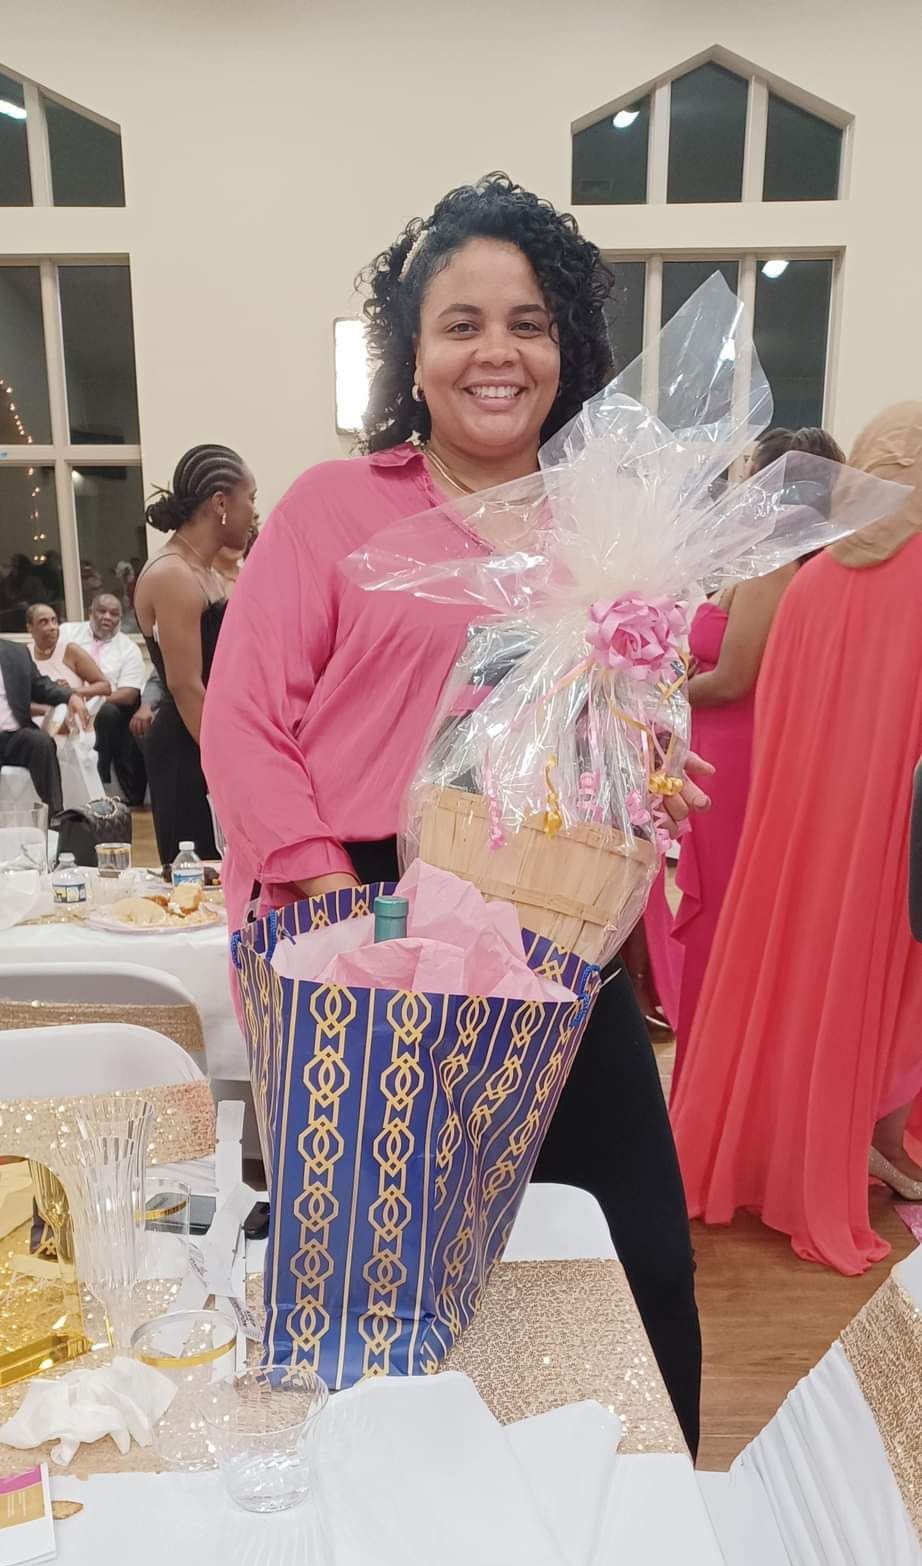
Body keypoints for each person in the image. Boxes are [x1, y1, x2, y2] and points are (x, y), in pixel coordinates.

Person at [203, 174, 715, 1455]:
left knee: (637, 1240)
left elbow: (622, 729)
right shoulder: (334, 507)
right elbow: (245, 719)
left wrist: (653, 774)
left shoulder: (612, 529)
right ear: (414, 356)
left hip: (551, 922)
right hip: (367, 916)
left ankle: (644, 1522)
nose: (497, 350)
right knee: (393, 1258)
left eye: (529, 322)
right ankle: (395, 1518)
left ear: (566, 349)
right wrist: (323, 887)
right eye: (462, 323)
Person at [672, 401, 922, 1275]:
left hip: (802, 824)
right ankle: (867, 1142)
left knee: (804, 975)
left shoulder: (818, 580)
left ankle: (801, 1144)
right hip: (892, 831)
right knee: (889, 993)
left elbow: (770, 709)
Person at [667, 425, 845, 1081]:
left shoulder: (777, 562)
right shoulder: (796, 561)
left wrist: (663, 687)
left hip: (735, 756)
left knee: (725, 921)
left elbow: (737, 678)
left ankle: (713, 1081)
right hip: (735, 749)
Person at [133, 444, 257, 867]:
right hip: (188, 746)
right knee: (200, 877)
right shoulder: (173, 575)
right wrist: (231, 769)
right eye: (250, 498)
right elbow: (185, 685)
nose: (253, 512)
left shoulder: (204, 570)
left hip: (210, 734)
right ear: (221, 503)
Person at [62, 591, 148, 805]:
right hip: (63, 701)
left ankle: (98, 783)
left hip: (106, 707)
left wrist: (90, 701)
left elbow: (129, 694)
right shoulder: (68, 634)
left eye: (114, 614)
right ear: (91, 612)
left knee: (106, 713)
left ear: (120, 618)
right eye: (102, 611)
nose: (107, 617)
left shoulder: (128, 648)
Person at [0, 635, 89, 813]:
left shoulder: (15, 653)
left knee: (41, 742)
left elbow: (40, 686)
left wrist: (70, 696)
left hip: (16, 736)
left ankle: (56, 818)